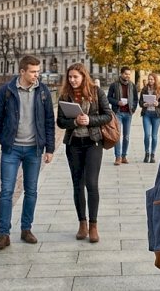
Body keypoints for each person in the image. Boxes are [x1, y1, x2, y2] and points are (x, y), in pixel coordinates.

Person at [0, 55, 55, 250]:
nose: (37, 75)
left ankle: (26, 229)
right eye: (33, 72)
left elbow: (49, 121)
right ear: (22, 72)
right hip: (11, 148)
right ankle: (4, 234)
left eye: (38, 71)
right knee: (6, 191)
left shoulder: (43, 92)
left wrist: (49, 149)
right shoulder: (7, 91)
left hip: (34, 149)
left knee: (31, 191)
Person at [55, 63, 112, 243]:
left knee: (92, 183)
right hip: (73, 144)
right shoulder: (65, 95)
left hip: (93, 142)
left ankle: (94, 225)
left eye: (75, 77)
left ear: (83, 76)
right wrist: (74, 123)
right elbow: (61, 122)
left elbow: (108, 115)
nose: (72, 80)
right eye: (70, 77)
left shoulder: (96, 92)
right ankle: (82, 223)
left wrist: (90, 120)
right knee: (77, 184)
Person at [107, 66, 139, 165]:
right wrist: (117, 102)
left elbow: (135, 99)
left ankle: (124, 156)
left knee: (126, 136)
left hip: (128, 113)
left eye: (129, 74)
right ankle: (118, 157)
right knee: (117, 135)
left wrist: (133, 109)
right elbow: (108, 98)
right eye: (126, 74)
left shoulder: (132, 85)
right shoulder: (114, 85)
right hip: (118, 113)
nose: (127, 76)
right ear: (121, 74)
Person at [140, 73, 160, 163]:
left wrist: (158, 104)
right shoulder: (144, 89)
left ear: (155, 80)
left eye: (152, 79)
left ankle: (152, 154)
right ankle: (146, 153)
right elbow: (140, 102)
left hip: (156, 115)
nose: (150, 81)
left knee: (154, 136)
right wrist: (143, 104)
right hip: (146, 114)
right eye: (149, 79)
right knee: (147, 135)